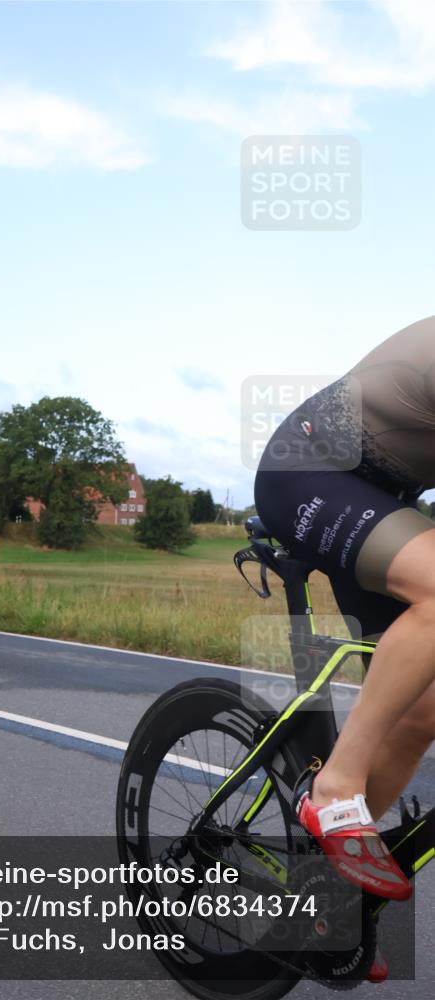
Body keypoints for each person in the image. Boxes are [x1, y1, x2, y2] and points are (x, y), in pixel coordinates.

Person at [254, 317, 435, 909]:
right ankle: (334, 788)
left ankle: (323, 899)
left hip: (386, 496)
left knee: (421, 713)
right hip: (307, 468)